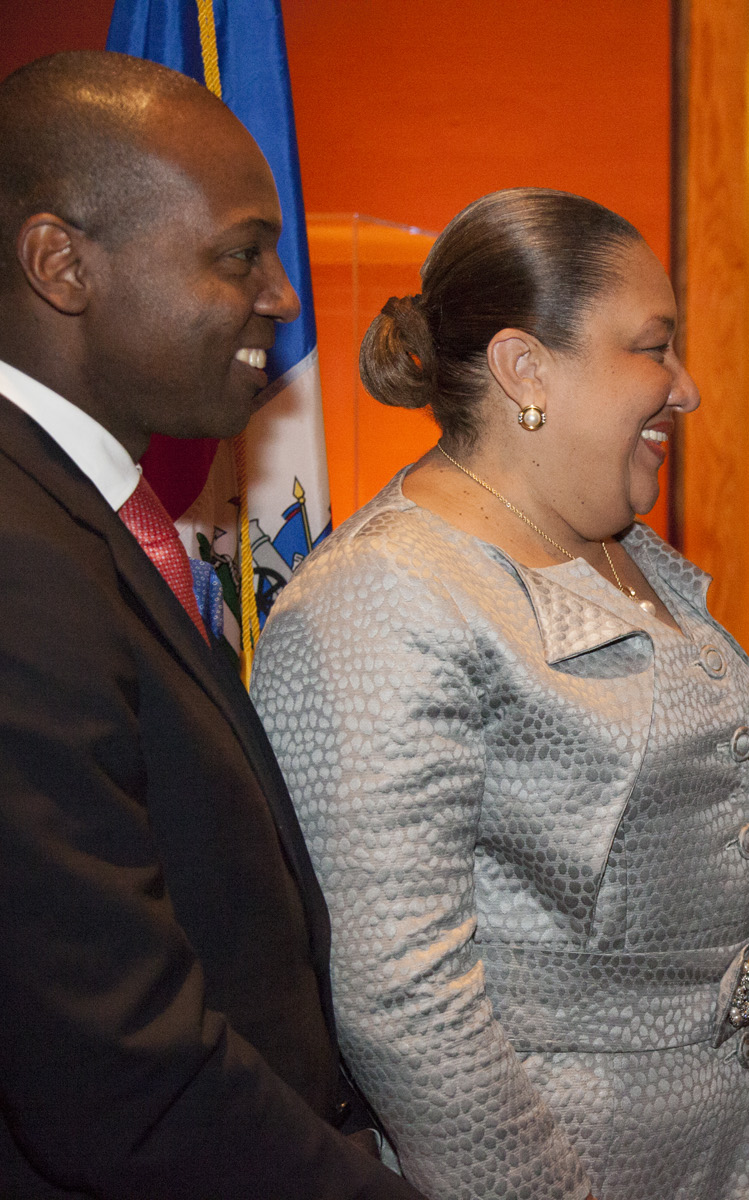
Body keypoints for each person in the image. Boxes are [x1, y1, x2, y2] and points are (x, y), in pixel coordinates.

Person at [249, 187, 749, 1200]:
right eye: (654, 347)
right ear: (524, 368)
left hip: (710, 1149)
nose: (686, 389)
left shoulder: (628, 551)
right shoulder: (383, 594)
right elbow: (403, 1001)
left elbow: (695, 910)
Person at [0, 52, 420, 1198]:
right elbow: (111, 1065)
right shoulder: (20, 558)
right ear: (61, 265)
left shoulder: (87, 514)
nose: (283, 297)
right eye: (241, 255)